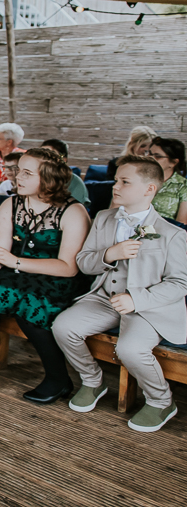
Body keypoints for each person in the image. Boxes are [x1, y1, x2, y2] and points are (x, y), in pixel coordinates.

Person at [54, 155, 187, 432]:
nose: (116, 186)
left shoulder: (172, 234)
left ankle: (161, 400)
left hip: (146, 307)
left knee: (130, 348)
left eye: (125, 181)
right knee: (63, 326)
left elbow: (179, 284)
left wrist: (136, 299)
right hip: (104, 297)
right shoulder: (103, 218)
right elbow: (84, 263)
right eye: (116, 180)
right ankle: (92, 381)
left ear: (149, 189)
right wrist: (110, 254)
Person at [0, 148, 92, 403]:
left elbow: (69, 267)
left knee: (30, 305)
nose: (16, 177)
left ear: (47, 178)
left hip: (55, 277)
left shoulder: (73, 212)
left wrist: (15, 262)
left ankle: (58, 379)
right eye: (16, 171)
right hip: (15, 270)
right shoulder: (11, 204)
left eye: (26, 172)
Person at [147, 136, 187, 224]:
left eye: (157, 156)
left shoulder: (183, 186)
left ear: (173, 162)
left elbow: (182, 223)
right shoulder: (138, 178)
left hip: (165, 233)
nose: (150, 158)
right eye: (150, 153)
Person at [41, 138, 89, 206]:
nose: (44, 159)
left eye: (50, 154)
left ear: (63, 159)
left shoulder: (75, 182)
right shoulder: (34, 177)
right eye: (41, 154)